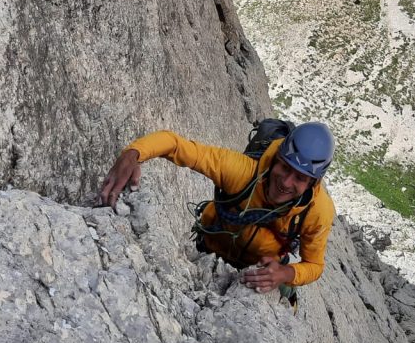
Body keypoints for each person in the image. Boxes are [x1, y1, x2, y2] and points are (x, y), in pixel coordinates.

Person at [99, 122, 336, 300]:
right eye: (284, 167)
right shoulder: (241, 173)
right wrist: (133, 154)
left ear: (313, 183)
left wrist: (285, 274)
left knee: (287, 294)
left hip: (257, 271)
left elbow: (314, 266)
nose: (286, 182)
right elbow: (176, 145)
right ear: (275, 159)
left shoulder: (317, 213)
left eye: (300, 178)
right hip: (209, 248)